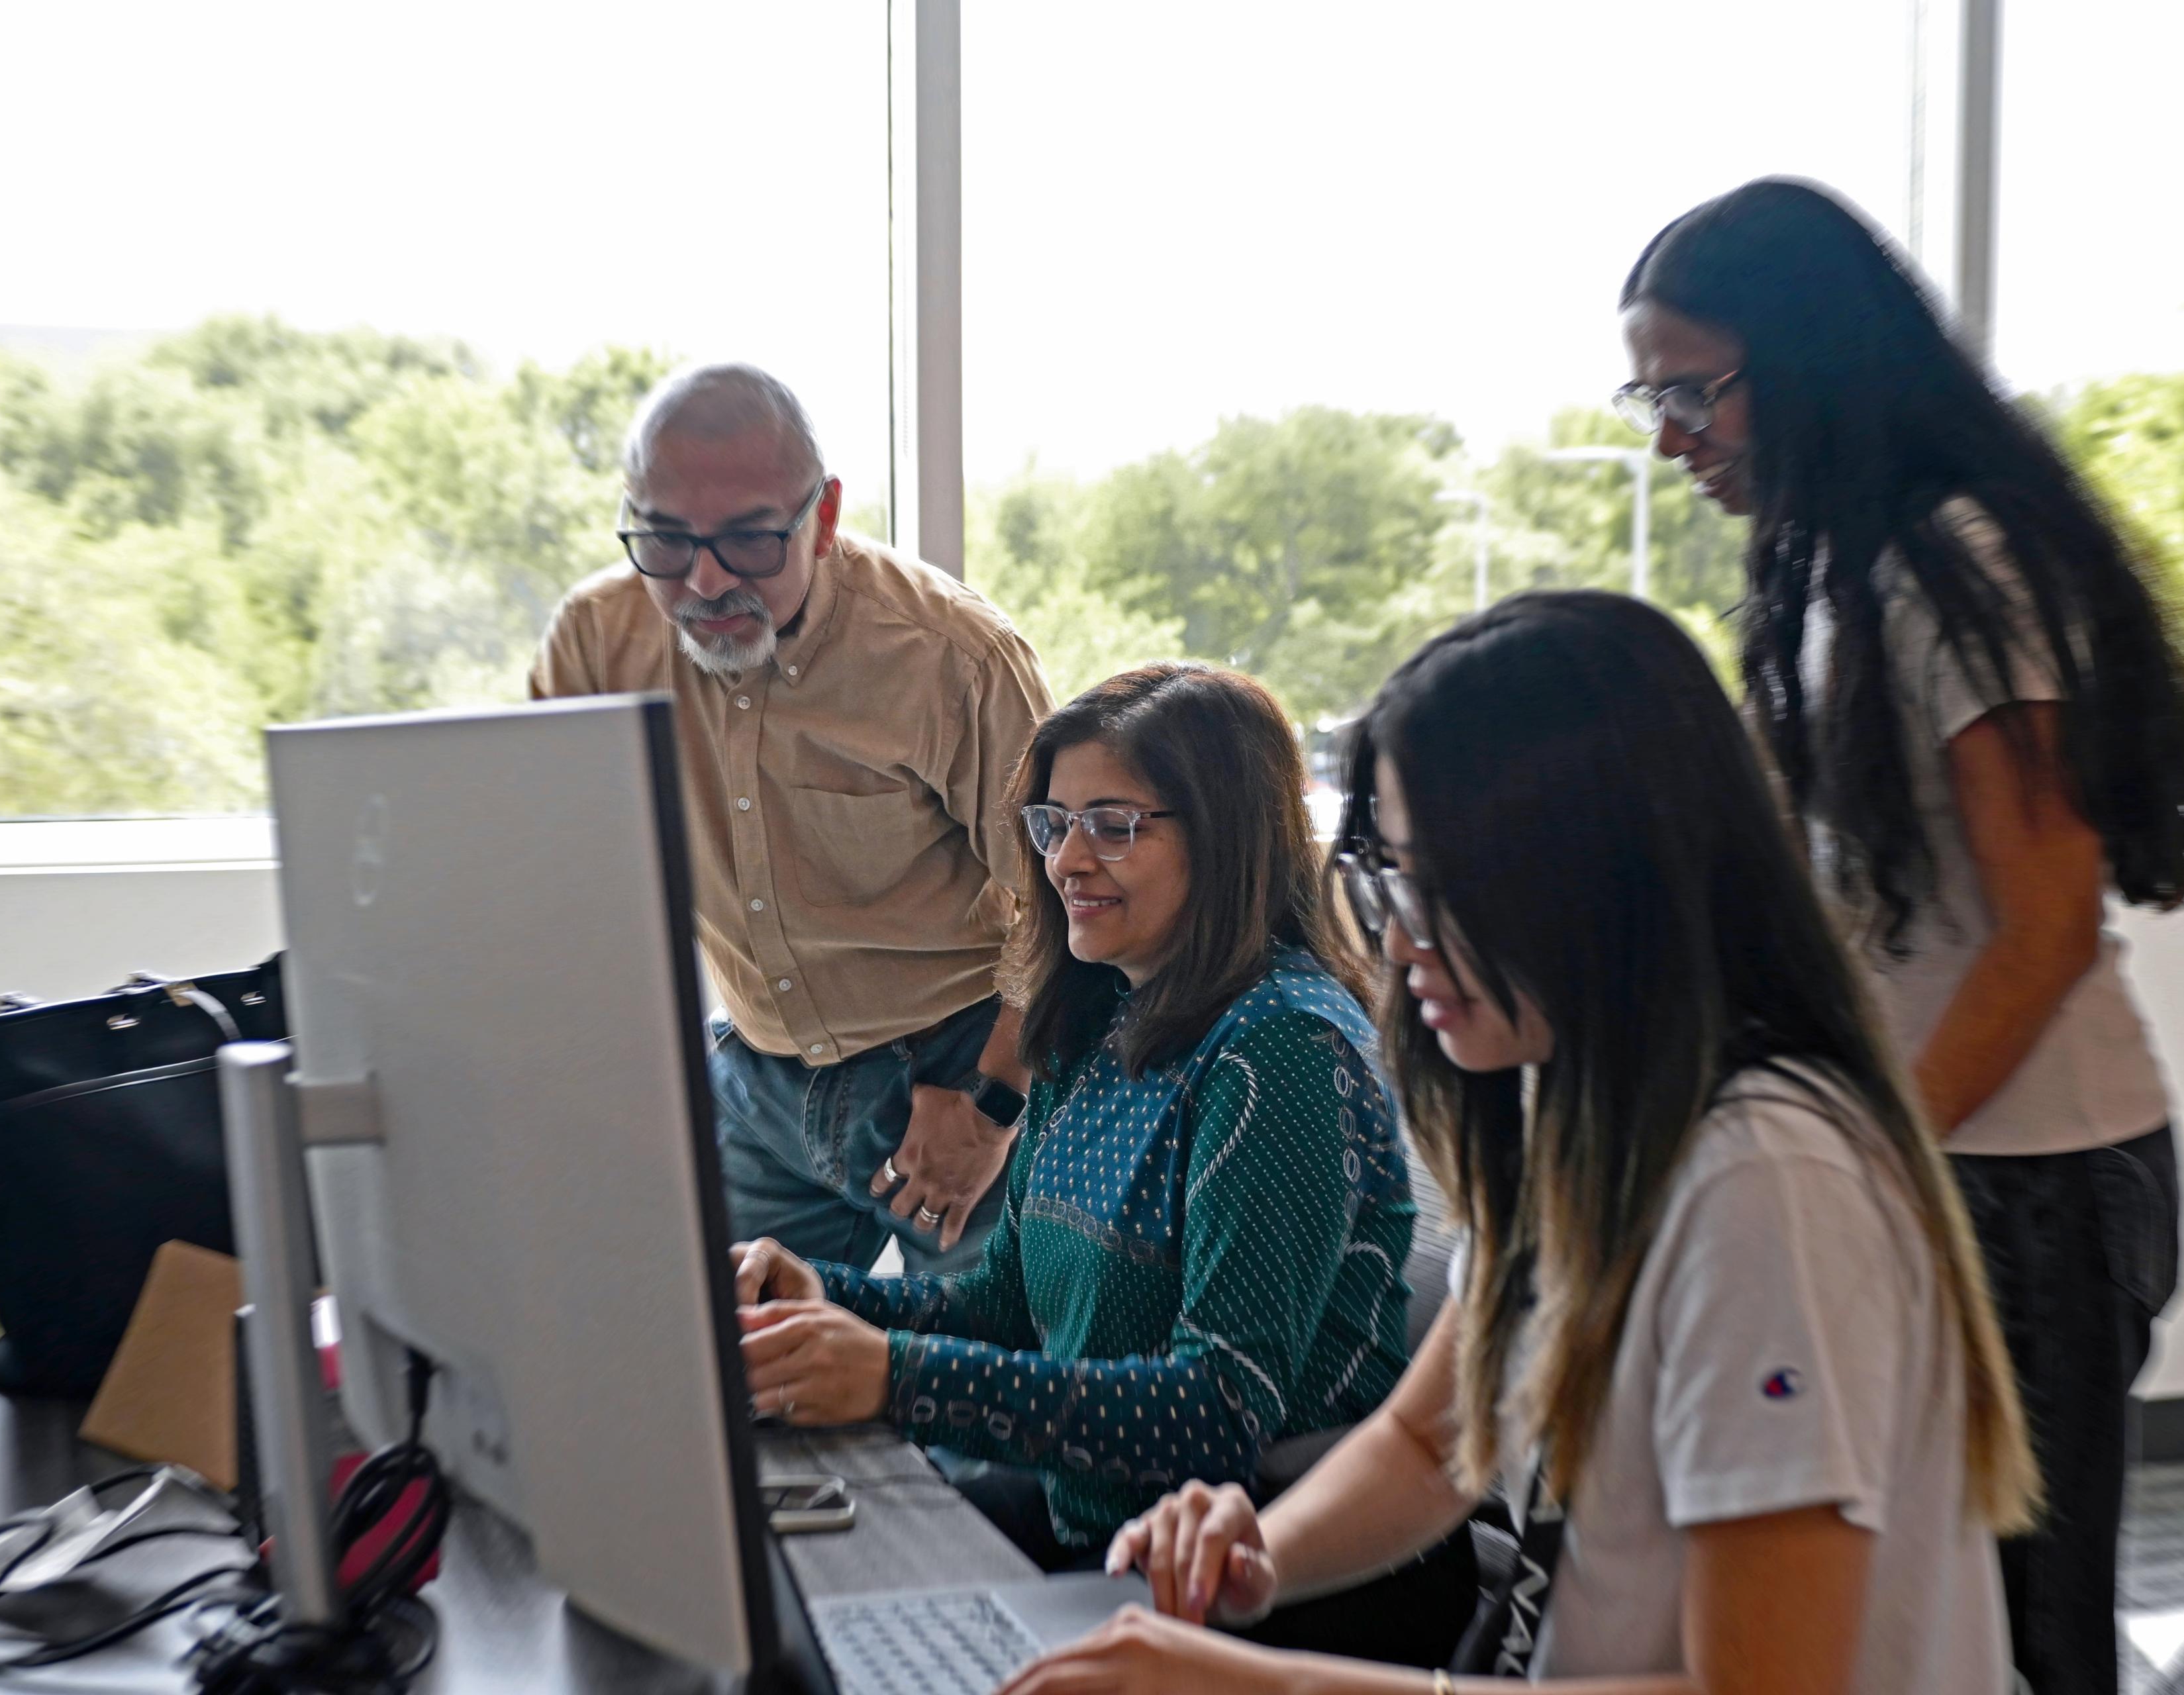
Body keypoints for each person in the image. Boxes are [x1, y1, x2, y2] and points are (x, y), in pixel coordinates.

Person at [1009, 594, 2037, 1693]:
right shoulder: (1588, 1114)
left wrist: (1267, 1683)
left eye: (1442, 889)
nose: (1399, 943)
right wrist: (1253, 1564)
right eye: (1387, 879)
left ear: (1602, 875)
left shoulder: (1763, 1184)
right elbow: (1428, 1445)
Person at [1617, 177, 2184, 1692]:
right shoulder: (1828, 563)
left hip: (2032, 1183)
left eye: (1696, 391)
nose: (1670, 436)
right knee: (1923, 1614)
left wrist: (1886, 1167)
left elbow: (2046, 922)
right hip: (1948, 1164)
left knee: (2032, 1630)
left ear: (1809, 361)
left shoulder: (1961, 562)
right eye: (1652, 395)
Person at [730, 663, 1416, 1566]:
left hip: (1251, 1564)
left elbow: (1216, 1412)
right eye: (1055, 825)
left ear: (1228, 837)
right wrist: (821, 1297)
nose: (1066, 860)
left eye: (1114, 827)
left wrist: (891, 1377)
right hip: (1103, 1523)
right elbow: (1003, 1306)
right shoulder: (1095, 1018)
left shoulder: (1280, 1049)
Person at [530, 363, 1053, 1273]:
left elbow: (1065, 905)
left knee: (983, 1385)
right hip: (754, 1075)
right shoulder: (594, 642)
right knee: (733, 1383)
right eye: (665, 541)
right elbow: (549, 864)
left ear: (823, 516)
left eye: (748, 540)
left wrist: (993, 1106)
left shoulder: (953, 659)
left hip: (957, 1064)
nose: (703, 580)